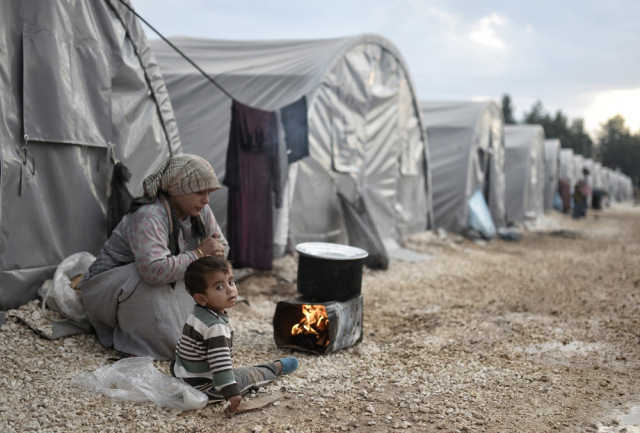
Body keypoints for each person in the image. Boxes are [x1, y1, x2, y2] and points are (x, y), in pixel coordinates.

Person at [80, 154, 229, 360]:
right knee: (151, 275)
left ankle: (173, 338)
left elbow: (223, 247)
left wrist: (215, 251)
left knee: (203, 278)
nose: (206, 200)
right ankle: (138, 344)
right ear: (177, 188)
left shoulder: (201, 210)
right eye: (199, 192)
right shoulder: (149, 214)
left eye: (209, 193)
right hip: (110, 288)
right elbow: (153, 271)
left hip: (161, 277)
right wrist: (200, 253)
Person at [171, 257, 298, 413]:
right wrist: (231, 390)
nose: (230, 289)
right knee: (248, 375)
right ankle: (275, 368)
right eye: (219, 287)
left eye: (231, 282)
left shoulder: (198, 315)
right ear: (201, 298)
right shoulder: (216, 327)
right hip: (204, 387)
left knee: (233, 371)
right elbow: (220, 363)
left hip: (183, 375)